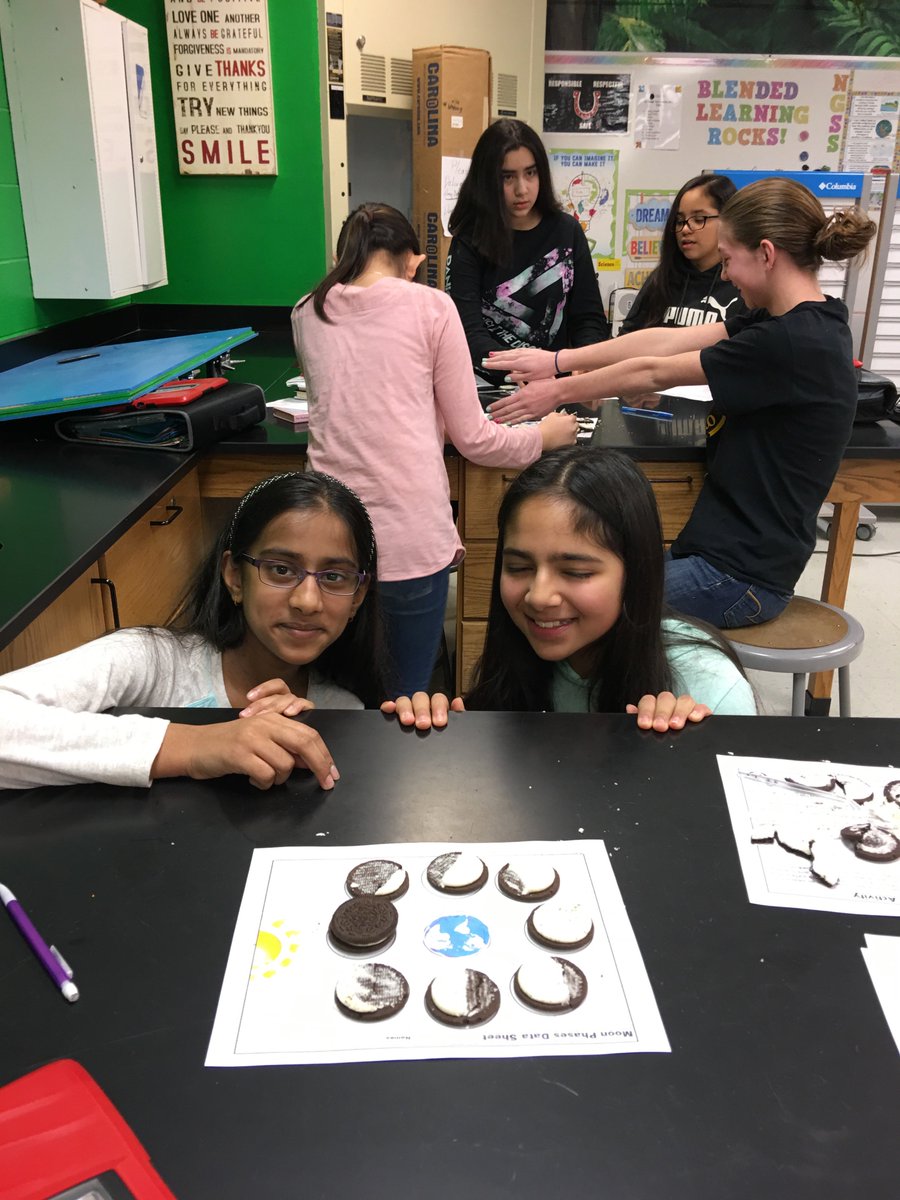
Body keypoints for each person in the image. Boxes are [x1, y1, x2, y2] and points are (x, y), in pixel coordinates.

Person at [482, 177, 876, 628]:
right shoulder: (796, 318)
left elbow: (654, 371)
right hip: (724, 555)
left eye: (728, 260)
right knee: (589, 578)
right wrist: (557, 359)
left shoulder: (792, 340)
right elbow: (666, 341)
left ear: (766, 254)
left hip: (740, 577)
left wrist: (558, 389)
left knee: (584, 604)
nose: (724, 274)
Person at [292, 202, 577, 698]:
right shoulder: (431, 306)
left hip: (325, 541)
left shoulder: (306, 310)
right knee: (406, 700)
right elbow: (476, 440)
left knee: (338, 697)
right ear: (413, 263)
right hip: (409, 545)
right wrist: (545, 436)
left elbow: (368, 404)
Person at [0, 472, 387, 791]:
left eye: (334, 577)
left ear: (357, 596)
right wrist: (196, 743)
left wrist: (419, 736)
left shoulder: (344, 710)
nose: (307, 601)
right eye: (281, 569)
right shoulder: (153, 661)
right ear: (234, 576)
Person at [383, 447, 755, 732]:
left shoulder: (710, 691)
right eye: (518, 567)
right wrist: (441, 742)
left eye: (575, 572)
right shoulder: (516, 666)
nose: (539, 596)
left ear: (636, 572)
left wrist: (693, 753)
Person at [445, 118, 610, 388]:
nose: (521, 189)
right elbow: (467, 333)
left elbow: (588, 319)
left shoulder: (567, 231)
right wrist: (524, 372)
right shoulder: (469, 240)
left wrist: (585, 362)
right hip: (489, 388)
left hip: (558, 388)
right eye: (507, 177)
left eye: (530, 173)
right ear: (487, 181)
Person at [619, 173, 745, 335]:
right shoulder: (662, 279)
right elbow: (628, 337)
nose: (685, 229)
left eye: (699, 219)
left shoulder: (743, 285)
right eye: (679, 221)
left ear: (728, 219)